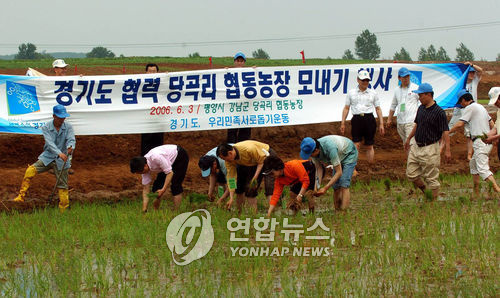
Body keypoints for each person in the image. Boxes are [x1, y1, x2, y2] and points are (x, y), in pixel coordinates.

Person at [13, 104, 76, 212]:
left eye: (63, 117)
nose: (62, 119)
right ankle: (20, 197)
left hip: (62, 160)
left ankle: (64, 208)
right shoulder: (46, 127)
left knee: (62, 184)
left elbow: (71, 139)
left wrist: (70, 147)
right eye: (60, 117)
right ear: (54, 116)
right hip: (48, 156)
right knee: (30, 171)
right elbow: (50, 144)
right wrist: (59, 153)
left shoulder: (68, 127)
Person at [404, 83, 450, 200]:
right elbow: (417, 124)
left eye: (421, 95)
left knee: (431, 178)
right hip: (416, 146)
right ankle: (426, 192)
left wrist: (447, 150)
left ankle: (432, 202)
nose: (419, 98)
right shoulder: (421, 108)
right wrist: (409, 138)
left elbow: (445, 131)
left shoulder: (439, 112)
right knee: (411, 174)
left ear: (428, 95)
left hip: (430, 147)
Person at [449, 90, 499, 195]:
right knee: (474, 165)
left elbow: (460, 124)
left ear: (463, 100)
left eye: (460, 102)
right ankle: (476, 193)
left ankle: (498, 191)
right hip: (485, 141)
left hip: (480, 141)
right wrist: (492, 136)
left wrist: (447, 132)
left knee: (483, 169)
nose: (460, 105)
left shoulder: (469, 108)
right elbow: (492, 123)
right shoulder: (480, 107)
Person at [299, 135, 358, 210]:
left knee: (344, 183)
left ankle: (343, 213)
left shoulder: (330, 148)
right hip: (339, 155)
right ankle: (337, 210)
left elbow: (339, 172)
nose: (310, 156)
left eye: (310, 154)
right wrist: (316, 187)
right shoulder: (313, 151)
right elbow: (319, 169)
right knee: (336, 186)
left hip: (349, 153)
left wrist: (325, 188)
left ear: (316, 150)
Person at [216, 141, 275, 213]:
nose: (226, 161)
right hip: (250, 162)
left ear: (230, 153)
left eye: (225, 158)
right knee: (240, 188)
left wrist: (254, 178)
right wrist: (231, 197)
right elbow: (231, 178)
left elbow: (261, 162)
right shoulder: (229, 160)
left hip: (266, 156)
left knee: (268, 187)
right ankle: (242, 214)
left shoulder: (249, 149)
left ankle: (271, 214)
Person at [341, 70, 384, 165]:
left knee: (369, 145)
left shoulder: (373, 93)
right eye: (363, 80)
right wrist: (343, 123)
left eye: (367, 80)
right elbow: (346, 108)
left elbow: (378, 109)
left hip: (369, 120)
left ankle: (370, 166)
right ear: (358, 80)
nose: (365, 82)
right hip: (357, 120)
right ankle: (353, 167)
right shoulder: (351, 93)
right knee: (356, 144)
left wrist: (381, 123)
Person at [129, 144, 189, 212]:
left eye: (140, 172)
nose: (141, 174)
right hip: (166, 162)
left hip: (179, 156)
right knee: (157, 187)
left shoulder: (156, 158)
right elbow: (146, 188)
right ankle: (156, 211)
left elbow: (170, 173)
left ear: (145, 166)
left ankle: (176, 212)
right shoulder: (143, 167)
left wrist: (163, 189)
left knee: (175, 185)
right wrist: (144, 209)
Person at [447, 62, 484, 160]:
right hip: (459, 109)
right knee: (449, 129)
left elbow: (480, 70)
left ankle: (469, 155)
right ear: (466, 74)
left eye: (473, 73)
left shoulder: (475, 81)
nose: (472, 74)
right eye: (470, 73)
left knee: (469, 133)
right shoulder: (460, 83)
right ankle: (441, 147)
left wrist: (471, 65)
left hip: (470, 110)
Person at [140, 64, 165, 191]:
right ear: (145, 73)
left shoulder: (163, 85)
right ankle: (146, 183)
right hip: (146, 122)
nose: (152, 73)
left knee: (160, 151)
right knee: (145, 152)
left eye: (154, 71)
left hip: (159, 122)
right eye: (150, 71)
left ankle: (158, 185)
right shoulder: (141, 85)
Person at [386, 67, 420, 149]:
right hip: (400, 122)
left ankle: (411, 161)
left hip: (411, 121)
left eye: (407, 76)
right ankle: (410, 160)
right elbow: (393, 105)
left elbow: (421, 102)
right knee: (405, 143)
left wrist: (419, 117)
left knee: (411, 143)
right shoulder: (397, 90)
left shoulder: (415, 88)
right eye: (404, 77)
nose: (406, 79)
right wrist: (389, 119)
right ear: (399, 78)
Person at [226, 52, 252, 143]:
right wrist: (224, 72)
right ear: (234, 62)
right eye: (238, 61)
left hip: (246, 107)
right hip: (233, 107)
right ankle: (231, 151)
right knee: (232, 131)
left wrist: (256, 71)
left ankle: (242, 151)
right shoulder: (228, 72)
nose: (239, 63)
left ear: (244, 62)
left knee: (245, 132)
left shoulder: (249, 73)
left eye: (241, 61)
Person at [485, 87, 500, 161]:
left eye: (496, 102)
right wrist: (488, 135)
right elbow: (497, 127)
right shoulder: (499, 111)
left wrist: (494, 138)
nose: (496, 105)